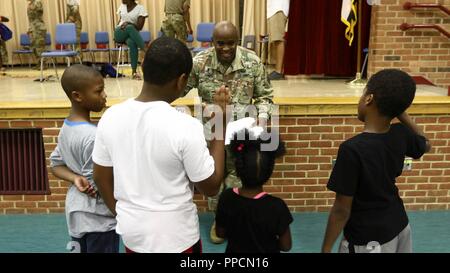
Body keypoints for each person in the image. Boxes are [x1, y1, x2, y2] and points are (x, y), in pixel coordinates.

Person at [92, 37, 230, 253]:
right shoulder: (185, 125)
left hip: (133, 234)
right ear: (181, 80)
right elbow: (211, 187)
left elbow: (100, 177)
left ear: (144, 69)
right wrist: (220, 125)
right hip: (177, 238)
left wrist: (123, 213)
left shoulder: (110, 117)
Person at [321, 69, 432, 253]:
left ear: (368, 99)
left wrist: (325, 249)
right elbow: (426, 144)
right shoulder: (401, 134)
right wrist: (401, 113)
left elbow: (341, 210)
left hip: (367, 239)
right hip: (400, 225)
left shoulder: (351, 149)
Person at [184, 21, 274, 244]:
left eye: (231, 43)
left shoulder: (251, 62)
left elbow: (265, 97)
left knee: (237, 180)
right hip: (211, 132)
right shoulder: (200, 63)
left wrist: (261, 124)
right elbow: (179, 89)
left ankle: (233, 220)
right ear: (212, 42)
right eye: (220, 43)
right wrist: (197, 109)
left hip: (241, 135)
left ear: (238, 40)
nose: (226, 48)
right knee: (214, 180)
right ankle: (219, 220)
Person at [50, 65, 119, 253]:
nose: (105, 95)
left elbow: (56, 165)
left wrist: (74, 178)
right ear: (78, 96)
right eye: (99, 91)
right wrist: (119, 213)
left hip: (78, 216)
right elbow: (100, 182)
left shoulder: (66, 127)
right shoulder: (93, 136)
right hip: (99, 220)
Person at [215, 127, 293, 253]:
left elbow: (220, 233)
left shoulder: (227, 198)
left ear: (238, 169)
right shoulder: (277, 206)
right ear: (269, 173)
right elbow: (286, 246)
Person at [115, 0, 148, 80]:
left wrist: (129, 23)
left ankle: (134, 72)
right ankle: (147, 50)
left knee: (132, 42)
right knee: (129, 28)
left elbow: (139, 27)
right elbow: (120, 22)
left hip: (130, 34)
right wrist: (126, 25)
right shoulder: (122, 6)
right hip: (120, 32)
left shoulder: (140, 9)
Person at [266, 0, 289, 81]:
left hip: (278, 8)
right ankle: (278, 70)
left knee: (278, 39)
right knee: (276, 40)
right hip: (274, 9)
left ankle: (278, 71)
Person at [27, 0, 47, 70]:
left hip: (39, 28)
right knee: (34, 47)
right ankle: (39, 63)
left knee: (40, 47)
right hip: (33, 28)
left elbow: (40, 10)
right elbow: (30, 19)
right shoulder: (30, 4)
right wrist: (30, 29)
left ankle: (43, 64)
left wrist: (31, 5)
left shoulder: (37, 2)